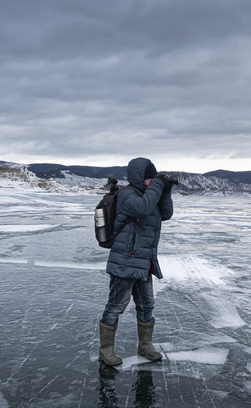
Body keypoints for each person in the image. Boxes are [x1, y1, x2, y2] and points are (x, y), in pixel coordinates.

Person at [98, 157, 174, 366]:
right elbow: (142, 208)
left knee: (147, 305)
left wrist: (165, 192)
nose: (152, 181)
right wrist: (158, 184)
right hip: (125, 261)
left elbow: (165, 214)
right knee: (116, 306)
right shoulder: (127, 195)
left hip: (143, 262)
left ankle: (145, 346)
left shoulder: (148, 195)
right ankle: (106, 351)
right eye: (149, 177)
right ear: (140, 177)